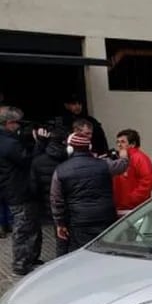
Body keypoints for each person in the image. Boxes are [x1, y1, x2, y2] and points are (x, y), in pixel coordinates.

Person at [50, 126, 129, 253]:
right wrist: (124, 156)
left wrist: (60, 223)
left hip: (79, 220)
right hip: (105, 216)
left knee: (83, 254)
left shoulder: (61, 170)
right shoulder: (104, 164)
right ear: (90, 147)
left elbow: (56, 200)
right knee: (106, 251)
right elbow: (122, 166)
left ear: (70, 149)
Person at [0, 106, 44, 275]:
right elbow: (28, 160)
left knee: (30, 224)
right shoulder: (9, 143)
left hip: (14, 189)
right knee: (24, 227)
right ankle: (21, 262)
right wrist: (39, 144)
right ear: (10, 123)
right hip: (19, 190)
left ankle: (30, 258)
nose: (19, 127)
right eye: (17, 123)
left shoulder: (7, 140)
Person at [31, 120, 73, 256]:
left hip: (52, 206)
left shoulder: (38, 161)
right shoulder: (71, 158)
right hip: (74, 205)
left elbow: (33, 188)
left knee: (61, 239)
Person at [112, 129, 152, 214]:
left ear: (132, 144)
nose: (119, 145)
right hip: (121, 207)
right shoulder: (119, 159)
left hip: (135, 209)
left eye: (123, 142)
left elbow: (147, 182)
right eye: (117, 142)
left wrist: (131, 199)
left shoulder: (139, 158)